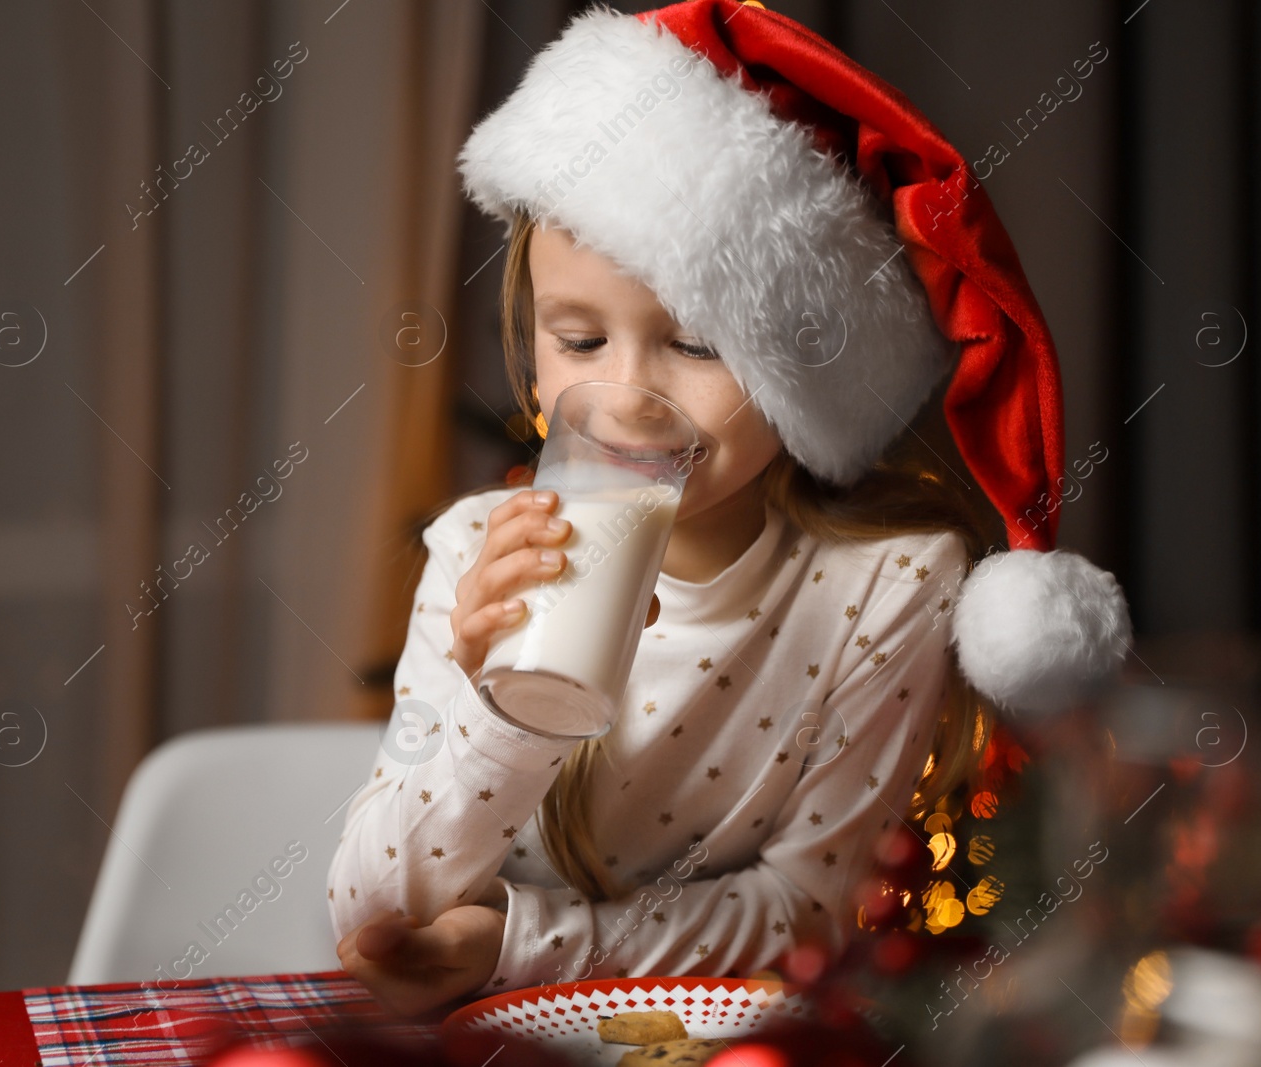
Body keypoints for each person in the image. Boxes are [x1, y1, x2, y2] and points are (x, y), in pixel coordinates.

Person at [327, 0, 1131, 1018]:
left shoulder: (882, 587)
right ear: (530, 368)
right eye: (578, 341)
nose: (624, 398)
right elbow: (369, 907)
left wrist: (523, 941)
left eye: (697, 345)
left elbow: (813, 910)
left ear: (799, 373)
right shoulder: (475, 556)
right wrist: (499, 711)